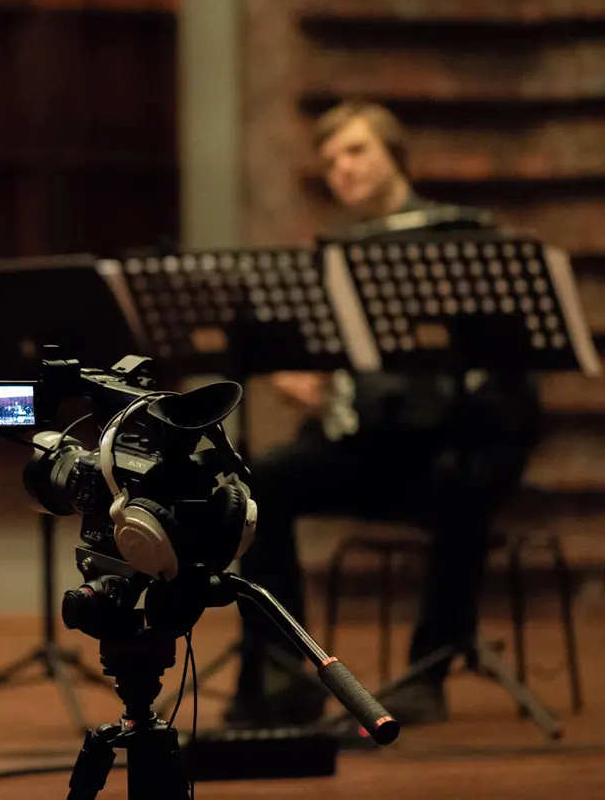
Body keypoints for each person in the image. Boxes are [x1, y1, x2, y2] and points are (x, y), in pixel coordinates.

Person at [225, 102, 542, 727]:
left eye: (356, 150)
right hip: (375, 447)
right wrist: (309, 382)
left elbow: (499, 363)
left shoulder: (461, 237)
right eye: (331, 162)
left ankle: (428, 672)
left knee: (463, 479)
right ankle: (288, 671)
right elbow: (337, 360)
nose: (341, 169)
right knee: (257, 485)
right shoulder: (339, 254)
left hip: (455, 443)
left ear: (394, 154)